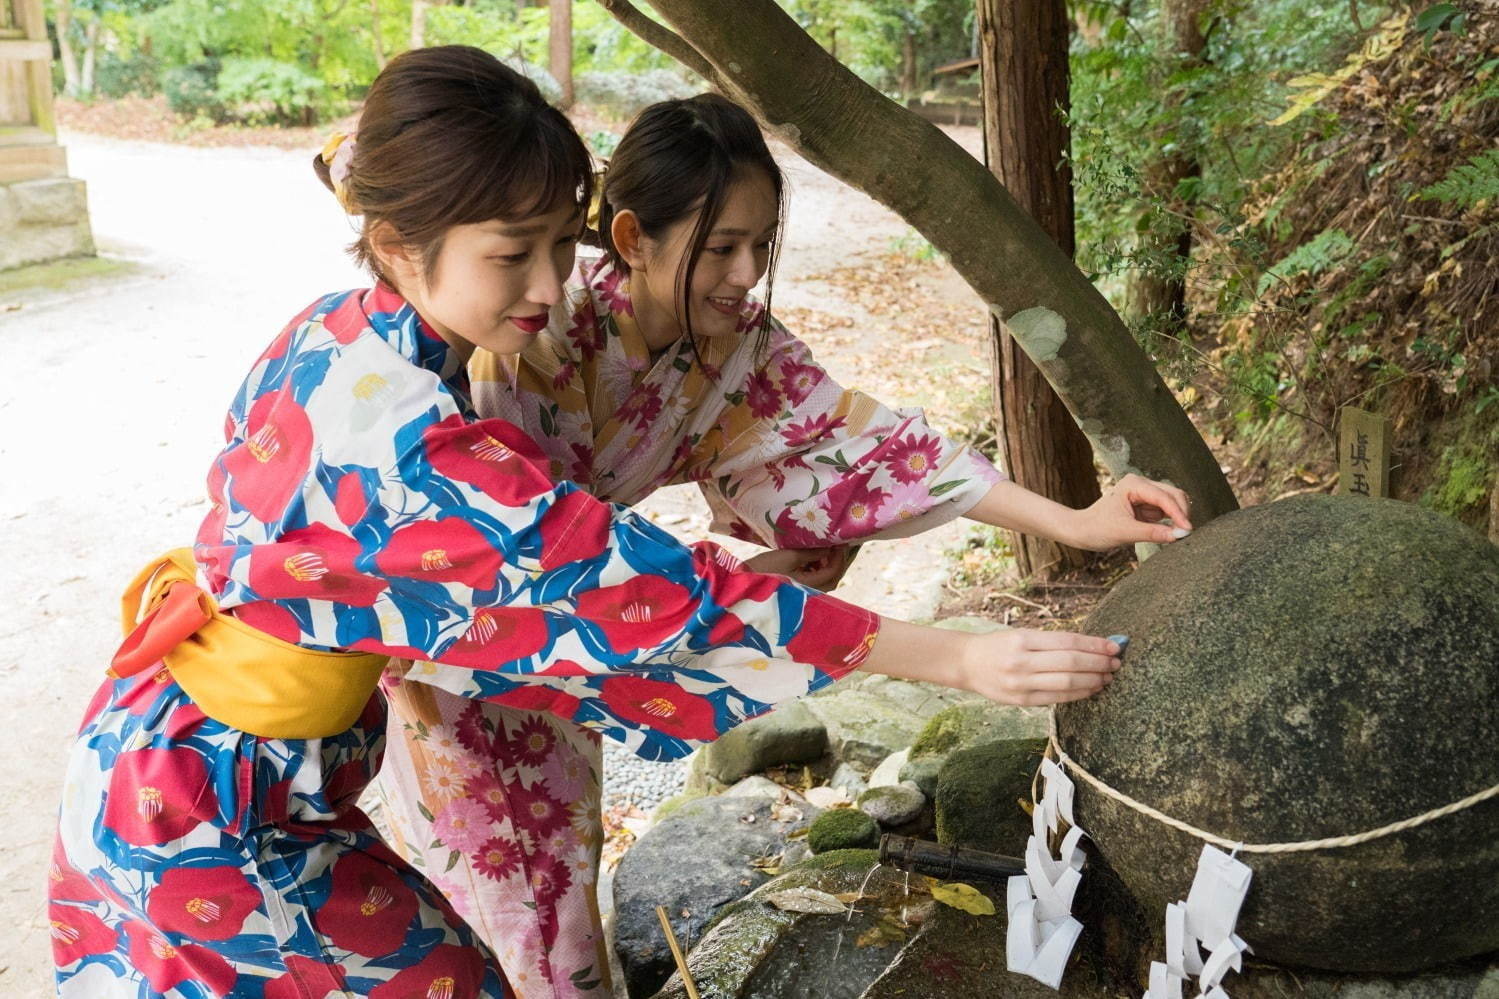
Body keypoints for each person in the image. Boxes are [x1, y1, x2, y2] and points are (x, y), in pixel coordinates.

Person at [48, 50, 1147, 999]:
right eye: (509, 254)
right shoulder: (404, 440)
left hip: (258, 764)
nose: (548, 284)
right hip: (214, 797)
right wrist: (953, 657)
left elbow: (845, 446)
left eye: (552, 245)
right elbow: (621, 580)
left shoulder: (365, 335)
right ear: (393, 243)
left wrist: (1074, 522)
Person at [374, 93, 1194, 998]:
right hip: (475, 655)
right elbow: (548, 556)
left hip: (582, 644)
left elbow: (874, 448)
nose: (747, 272)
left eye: (761, 244)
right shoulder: (525, 337)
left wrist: (1077, 519)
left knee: (546, 905)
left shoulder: (731, 345)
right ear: (634, 237)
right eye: (720, 246)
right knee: (525, 925)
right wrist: (937, 652)